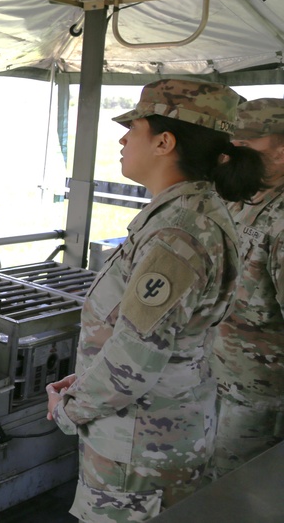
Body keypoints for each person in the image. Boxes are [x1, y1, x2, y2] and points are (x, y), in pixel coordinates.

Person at [45, 79, 265, 521]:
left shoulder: (176, 233)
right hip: (159, 432)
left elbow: (134, 362)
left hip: (139, 452)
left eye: (135, 128)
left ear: (165, 141)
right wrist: (87, 376)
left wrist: (69, 410)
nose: (124, 139)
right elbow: (147, 339)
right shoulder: (191, 213)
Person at [210, 98, 284, 478]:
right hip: (217, 375)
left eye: (246, 144)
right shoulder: (241, 198)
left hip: (258, 398)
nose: (234, 153)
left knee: (236, 494)